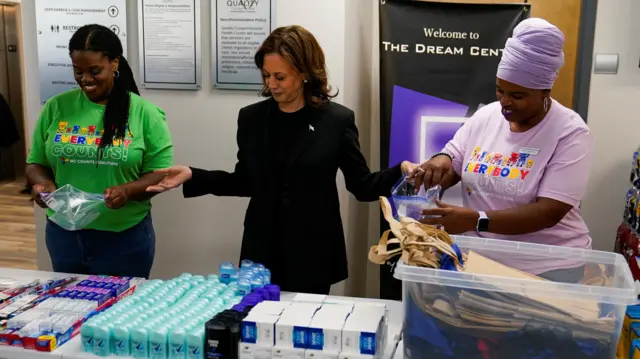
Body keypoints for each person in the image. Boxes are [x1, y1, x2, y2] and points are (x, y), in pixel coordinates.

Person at [147, 25, 416, 294]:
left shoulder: (336, 121)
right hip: (262, 250)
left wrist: (401, 171)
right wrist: (194, 175)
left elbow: (361, 185)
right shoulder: (252, 118)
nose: (271, 84)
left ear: (303, 73)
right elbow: (245, 182)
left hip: (313, 253)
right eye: (266, 76)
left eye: (280, 77)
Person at [410, 18, 593, 282]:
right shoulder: (487, 116)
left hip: (549, 269)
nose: (505, 102)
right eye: (500, 90)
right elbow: (453, 161)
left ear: (545, 91)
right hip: (483, 260)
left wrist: (476, 220)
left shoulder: (570, 133)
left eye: (518, 96)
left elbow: (548, 212)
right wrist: (439, 162)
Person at [26, 24, 173, 278]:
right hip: (64, 236)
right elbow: (35, 163)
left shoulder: (145, 113)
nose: (85, 79)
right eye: (78, 71)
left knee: (120, 314)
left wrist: (127, 191)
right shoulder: (57, 107)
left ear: (114, 63)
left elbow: (160, 173)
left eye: (95, 71)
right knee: (69, 311)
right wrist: (43, 185)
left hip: (123, 240)